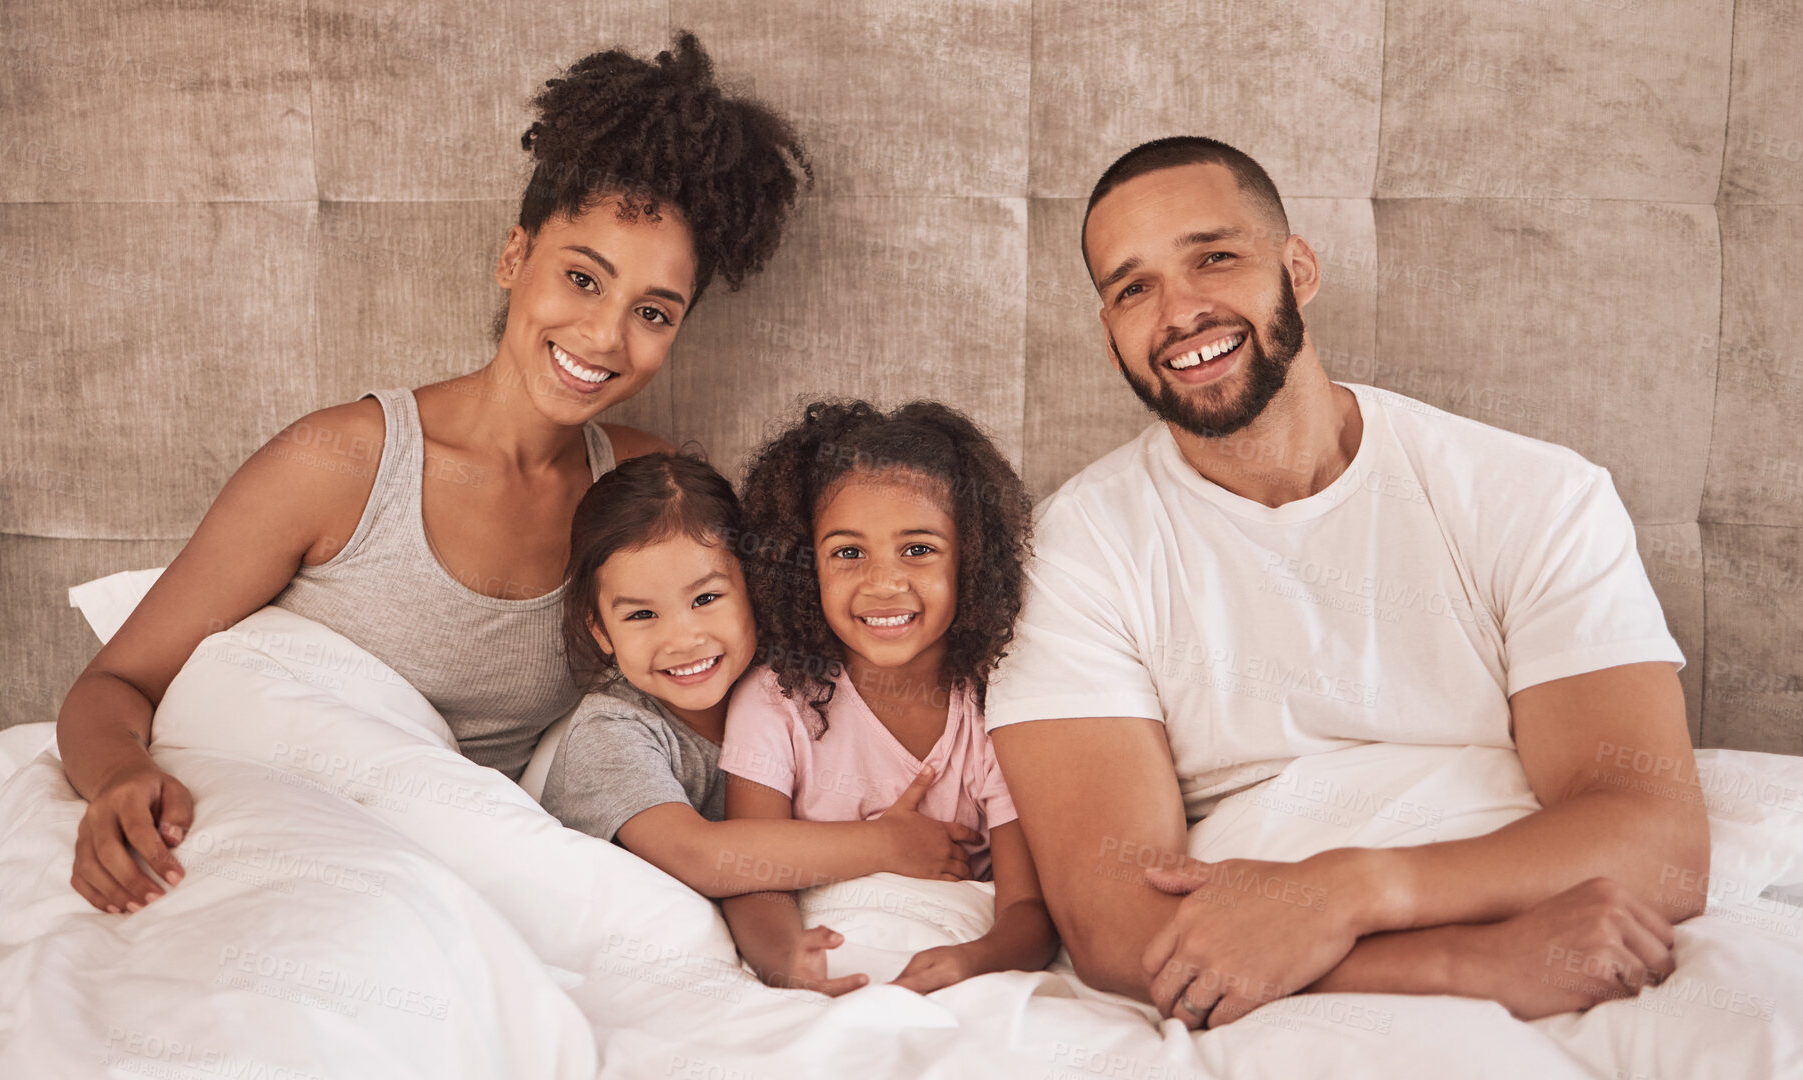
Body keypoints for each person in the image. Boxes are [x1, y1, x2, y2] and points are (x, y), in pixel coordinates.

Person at [55, 32, 813, 916]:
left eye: (652, 312)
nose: (606, 336)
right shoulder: (341, 466)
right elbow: (114, 685)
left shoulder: (653, 493)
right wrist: (119, 779)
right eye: (581, 277)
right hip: (278, 840)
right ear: (513, 258)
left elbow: (752, 684)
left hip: (462, 880)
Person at [985, 136, 1708, 1028]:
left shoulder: (1532, 494)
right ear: (1111, 340)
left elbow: (1660, 840)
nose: (1179, 310)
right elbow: (1116, 928)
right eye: (1133, 288)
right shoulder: (1071, 552)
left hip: (1543, 910)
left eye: (1214, 256)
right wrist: (1462, 965)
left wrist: (1347, 892)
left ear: (1299, 268)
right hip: (1297, 967)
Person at [718, 401, 1060, 996]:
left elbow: (1030, 911)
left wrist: (974, 962)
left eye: (919, 549)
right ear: (805, 567)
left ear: (971, 562)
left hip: (950, 953)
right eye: (848, 553)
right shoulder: (775, 700)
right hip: (831, 948)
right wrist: (785, 957)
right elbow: (754, 877)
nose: (883, 583)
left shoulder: (996, 706)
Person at [538, 451, 982, 898]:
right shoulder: (610, 733)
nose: (682, 639)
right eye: (641, 615)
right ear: (601, 632)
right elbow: (697, 857)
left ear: (754, 585)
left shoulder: (789, 687)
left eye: (706, 599)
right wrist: (887, 844)